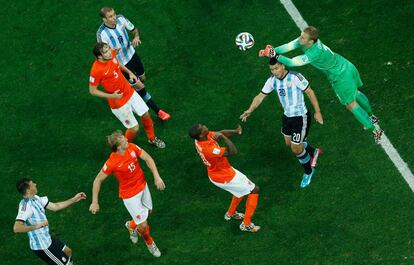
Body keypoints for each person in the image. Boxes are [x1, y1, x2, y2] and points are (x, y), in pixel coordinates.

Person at [259, 26, 383, 144]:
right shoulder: (306, 41)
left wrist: (275, 55)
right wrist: (272, 51)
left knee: (351, 105)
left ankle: (375, 130)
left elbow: (292, 62)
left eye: (303, 38)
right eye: (301, 36)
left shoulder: (314, 53)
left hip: (340, 77)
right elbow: (289, 46)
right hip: (346, 66)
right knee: (355, 93)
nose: (300, 39)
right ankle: (372, 116)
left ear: (311, 42)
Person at [240, 57, 323, 188]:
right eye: (272, 69)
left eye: (276, 68)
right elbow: (260, 96)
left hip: (300, 117)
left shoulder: (295, 77)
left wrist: (317, 112)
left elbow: (309, 92)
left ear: (283, 66)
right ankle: (313, 152)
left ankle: (308, 171)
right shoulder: (272, 81)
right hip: (287, 117)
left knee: (296, 149)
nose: (274, 71)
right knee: (289, 143)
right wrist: (250, 110)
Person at [89, 130, 166, 258]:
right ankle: (150, 243)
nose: (126, 139)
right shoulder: (112, 162)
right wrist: (95, 201)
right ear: (118, 147)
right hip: (130, 196)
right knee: (143, 224)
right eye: (123, 139)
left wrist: (157, 177)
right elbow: (98, 179)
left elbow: (147, 158)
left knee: (148, 212)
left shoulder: (132, 147)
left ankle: (130, 225)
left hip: (143, 186)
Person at [97, 6, 171, 121]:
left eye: (114, 14)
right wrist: (113, 54)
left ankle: (133, 90)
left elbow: (134, 29)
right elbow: (103, 54)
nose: (114, 18)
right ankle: (159, 111)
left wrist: (136, 37)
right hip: (123, 65)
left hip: (133, 55)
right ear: (104, 19)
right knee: (140, 86)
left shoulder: (121, 19)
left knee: (142, 79)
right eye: (110, 17)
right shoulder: (102, 34)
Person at [89, 42, 166, 149]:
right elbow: (92, 91)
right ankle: (124, 147)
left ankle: (152, 139)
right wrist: (113, 96)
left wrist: (130, 72)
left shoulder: (111, 54)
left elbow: (117, 63)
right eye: (105, 52)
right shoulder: (96, 70)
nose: (109, 52)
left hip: (129, 92)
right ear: (99, 56)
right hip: (118, 102)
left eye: (108, 49)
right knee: (134, 128)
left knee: (145, 114)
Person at [189, 124, 261, 232]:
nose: (205, 126)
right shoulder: (209, 149)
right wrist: (224, 138)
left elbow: (219, 133)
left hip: (220, 173)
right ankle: (246, 224)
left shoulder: (200, 139)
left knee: (239, 191)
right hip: (225, 177)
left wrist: (235, 131)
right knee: (254, 190)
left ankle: (230, 213)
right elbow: (233, 151)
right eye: (203, 127)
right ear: (201, 134)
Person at [13, 178, 86, 265]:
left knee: (68, 252)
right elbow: (16, 228)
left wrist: (74, 199)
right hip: (43, 246)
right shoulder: (25, 207)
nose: (35, 184)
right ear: (28, 190)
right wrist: (36, 226)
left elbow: (56, 206)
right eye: (32, 184)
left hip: (47, 239)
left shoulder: (35, 198)